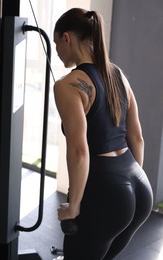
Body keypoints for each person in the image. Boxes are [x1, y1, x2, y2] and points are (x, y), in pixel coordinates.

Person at [53, 8, 153, 259]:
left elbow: (79, 151)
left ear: (67, 38)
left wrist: (73, 207)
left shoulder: (67, 86)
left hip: (108, 192)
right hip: (139, 187)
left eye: (56, 44)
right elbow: (137, 138)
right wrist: (128, 187)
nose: (56, 51)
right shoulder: (117, 75)